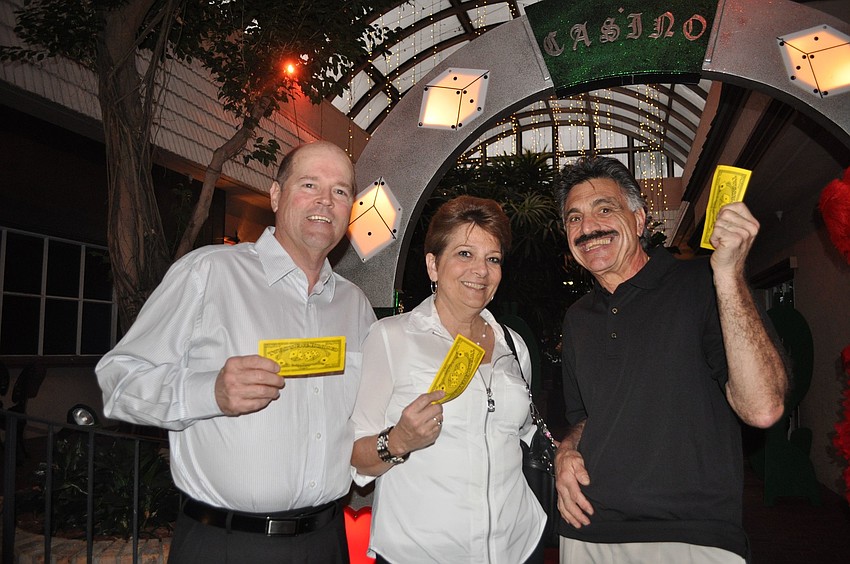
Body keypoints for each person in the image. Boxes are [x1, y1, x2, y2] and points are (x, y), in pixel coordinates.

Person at [96, 141, 376, 564]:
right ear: (277, 195)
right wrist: (210, 392)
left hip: (326, 542)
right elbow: (117, 380)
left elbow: (367, 415)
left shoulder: (354, 305)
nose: (325, 200)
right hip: (227, 544)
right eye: (309, 184)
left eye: (340, 191)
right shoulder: (208, 273)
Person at [552, 156, 788, 563]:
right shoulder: (577, 319)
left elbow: (763, 408)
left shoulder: (704, 284)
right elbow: (587, 419)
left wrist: (728, 275)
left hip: (692, 535)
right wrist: (565, 451)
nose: (588, 227)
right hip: (589, 532)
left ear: (640, 220)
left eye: (605, 209)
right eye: (574, 218)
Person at [350, 196, 546, 563]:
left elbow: (520, 437)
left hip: (518, 547)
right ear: (433, 265)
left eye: (493, 259)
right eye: (464, 254)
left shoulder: (513, 345)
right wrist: (398, 441)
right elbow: (354, 456)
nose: (481, 271)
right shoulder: (391, 338)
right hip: (421, 553)